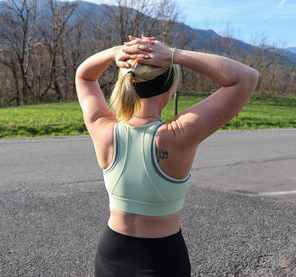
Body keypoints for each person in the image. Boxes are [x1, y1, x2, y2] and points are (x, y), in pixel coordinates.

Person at [75, 35, 259, 276]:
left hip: (111, 256)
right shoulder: (177, 136)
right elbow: (246, 77)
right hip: (162, 261)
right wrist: (174, 55)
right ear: (170, 87)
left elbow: (84, 76)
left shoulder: (105, 132)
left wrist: (118, 51)